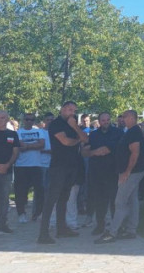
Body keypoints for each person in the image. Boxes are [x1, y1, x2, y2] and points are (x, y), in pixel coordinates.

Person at [38, 101, 88, 244]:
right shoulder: (56, 124)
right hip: (58, 166)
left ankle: (62, 229)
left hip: (72, 166)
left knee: (64, 198)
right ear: (62, 110)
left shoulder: (73, 125)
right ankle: (43, 233)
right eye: (69, 109)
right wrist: (77, 139)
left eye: (74, 110)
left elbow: (85, 138)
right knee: (51, 199)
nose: (72, 112)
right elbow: (65, 141)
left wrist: (75, 128)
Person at [95, 110, 144, 243]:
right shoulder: (129, 131)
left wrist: (127, 171)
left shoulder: (134, 132)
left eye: (126, 116)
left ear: (133, 118)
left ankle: (112, 232)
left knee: (120, 201)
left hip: (132, 172)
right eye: (122, 117)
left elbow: (135, 153)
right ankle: (131, 230)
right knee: (132, 200)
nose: (123, 119)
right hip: (132, 171)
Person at [84, 112, 121, 235]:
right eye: (103, 120)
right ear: (99, 121)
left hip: (113, 171)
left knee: (115, 201)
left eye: (108, 119)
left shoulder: (117, 133)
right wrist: (94, 152)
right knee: (99, 200)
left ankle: (116, 227)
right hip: (97, 172)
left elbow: (107, 149)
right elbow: (85, 152)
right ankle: (100, 225)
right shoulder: (93, 135)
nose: (106, 122)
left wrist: (95, 151)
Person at [14, 113, 48, 224]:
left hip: (36, 165)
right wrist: (34, 145)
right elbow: (19, 145)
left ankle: (38, 213)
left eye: (32, 119)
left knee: (39, 191)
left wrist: (28, 146)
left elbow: (41, 145)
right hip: (21, 165)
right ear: (24, 120)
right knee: (21, 191)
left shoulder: (40, 131)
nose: (29, 121)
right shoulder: (18, 132)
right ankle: (21, 213)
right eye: (27, 119)